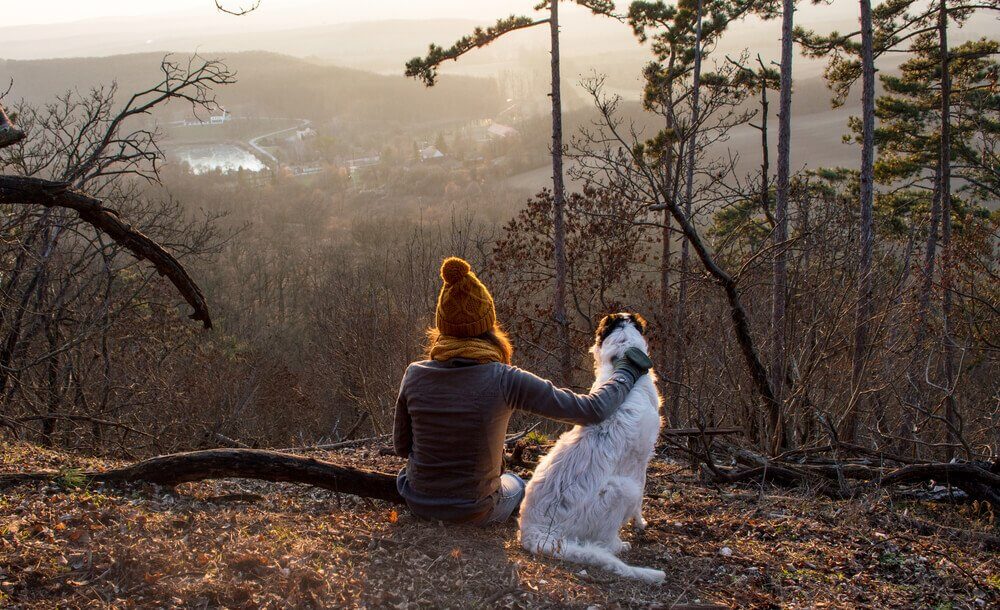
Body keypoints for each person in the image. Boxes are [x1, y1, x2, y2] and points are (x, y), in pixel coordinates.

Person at [393, 256, 652, 525]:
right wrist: (627, 370)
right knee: (515, 483)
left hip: (418, 500)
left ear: (442, 327)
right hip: (476, 509)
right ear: (488, 325)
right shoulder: (505, 379)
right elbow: (591, 409)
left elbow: (402, 447)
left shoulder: (414, 373)